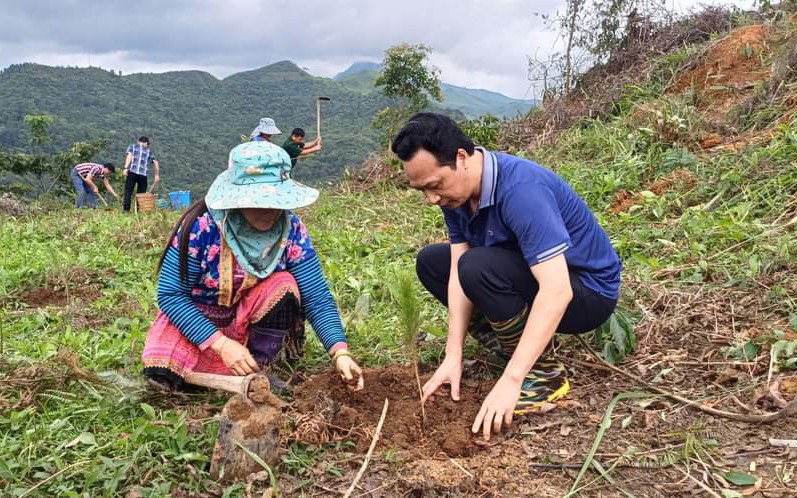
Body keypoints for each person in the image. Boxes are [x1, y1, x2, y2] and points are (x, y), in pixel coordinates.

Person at [391, 113, 622, 441]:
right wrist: (452, 353)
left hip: (586, 291)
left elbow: (557, 291)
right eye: (422, 190)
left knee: (477, 265)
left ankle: (542, 377)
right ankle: (513, 347)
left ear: (461, 157)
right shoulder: (455, 195)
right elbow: (458, 268)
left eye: (435, 185)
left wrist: (512, 380)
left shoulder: (521, 190)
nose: (432, 198)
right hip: (532, 275)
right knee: (433, 262)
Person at [142, 140, 364, 392]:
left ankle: (260, 366)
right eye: (258, 202)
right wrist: (222, 345)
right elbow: (171, 296)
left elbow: (316, 297)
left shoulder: (292, 231)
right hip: (200, 323)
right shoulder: (201, 228)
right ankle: (218, 373)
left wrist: (340, 352)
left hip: (248, 321)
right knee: (161, 366)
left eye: (275, 202)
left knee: (285, 286)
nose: (269, 210)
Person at [123, 136, 160, 212]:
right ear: (147, 143)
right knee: (141, 194)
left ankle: (126, 210)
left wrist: (126, 168)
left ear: (138, 141)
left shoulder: (132, 147)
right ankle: (139, 210)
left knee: (128, 192)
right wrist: (156, 175)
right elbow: (155, 163)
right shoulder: (149, 151)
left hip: (132, 172)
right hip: (142, 175)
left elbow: (129, 156)